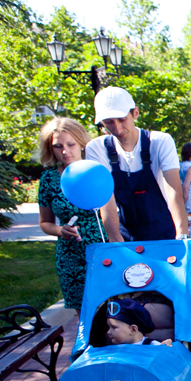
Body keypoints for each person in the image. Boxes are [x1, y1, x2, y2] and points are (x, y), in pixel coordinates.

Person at [38, 117, 123, 314]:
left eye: (71, 144)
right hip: (70, 255)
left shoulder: (96, 171)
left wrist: (116, 246)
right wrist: (60, 230)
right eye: (58, 146)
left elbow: (110, 213)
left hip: (102, 248)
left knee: (114, 311)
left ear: (82, 144)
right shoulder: (48, 179)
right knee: (84, 316)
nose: (65, 151)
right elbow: (44, 222)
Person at [85, 87, 188, 241]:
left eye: (122, 119)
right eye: (109, 122)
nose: (117, 128)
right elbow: (106, 202)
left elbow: (174, 192)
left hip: (164, 231)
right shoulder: (97, 148)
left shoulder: (160, 142)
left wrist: (182, 236)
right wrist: (116, 243)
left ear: (135, 113)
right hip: (125, 234)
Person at [105, 299, 172, 346]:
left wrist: (164, 348)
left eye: (114, 327)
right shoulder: (112, 349)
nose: (108, 332)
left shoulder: (152, 346)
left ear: (133, 330)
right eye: (108, 327)